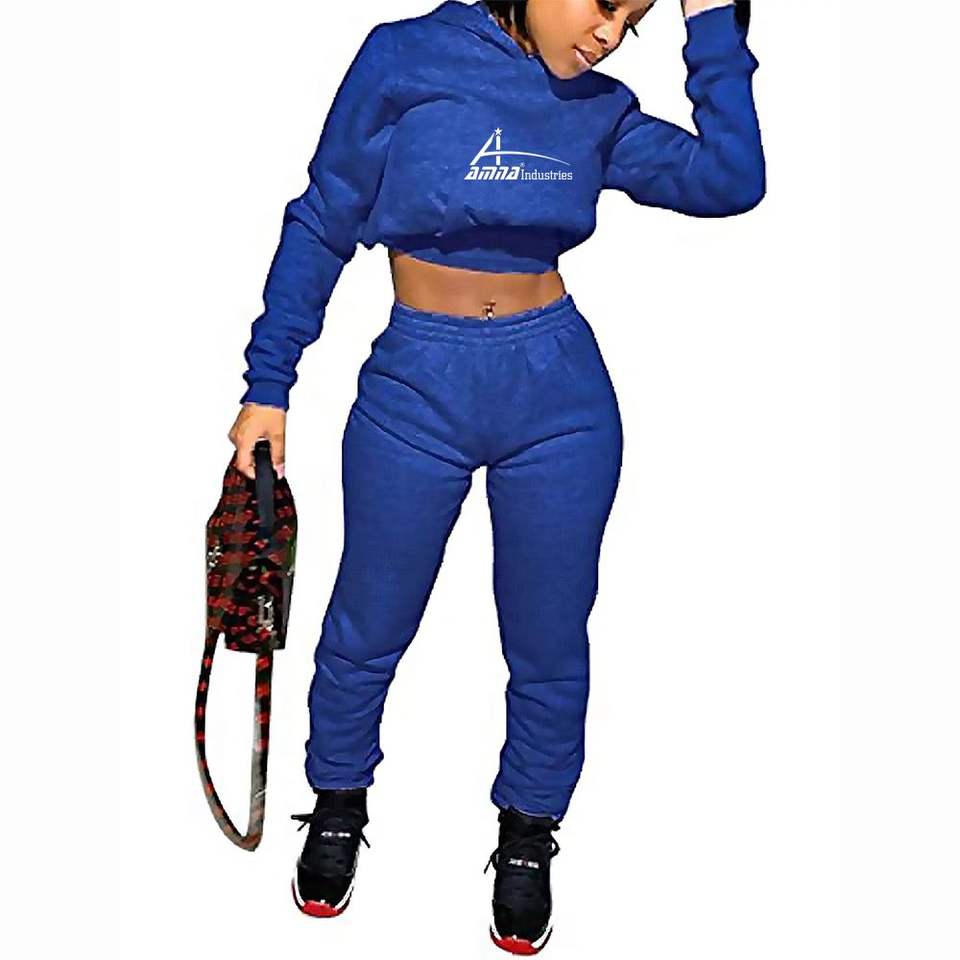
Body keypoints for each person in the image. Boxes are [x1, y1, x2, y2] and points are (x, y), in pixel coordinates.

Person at [226, 0, 763, 952]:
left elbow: (730, 180)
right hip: (415, 386)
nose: (609, 34)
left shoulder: (599, 108)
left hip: (558, 396)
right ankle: (338, 802)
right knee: (367, 623)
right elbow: (323, 218)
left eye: (635, 21)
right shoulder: (404, 58)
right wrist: (269, 386)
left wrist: (713, 23)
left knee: (549, 639)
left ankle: (527, 833)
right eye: (605, 3)